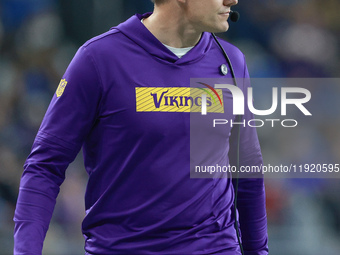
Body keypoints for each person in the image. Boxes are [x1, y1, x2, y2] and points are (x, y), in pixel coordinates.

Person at [14, 0, 269, 254]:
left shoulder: (233, 62)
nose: (232, 0)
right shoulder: (99, 58)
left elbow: (247, 169)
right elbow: (44, 167)